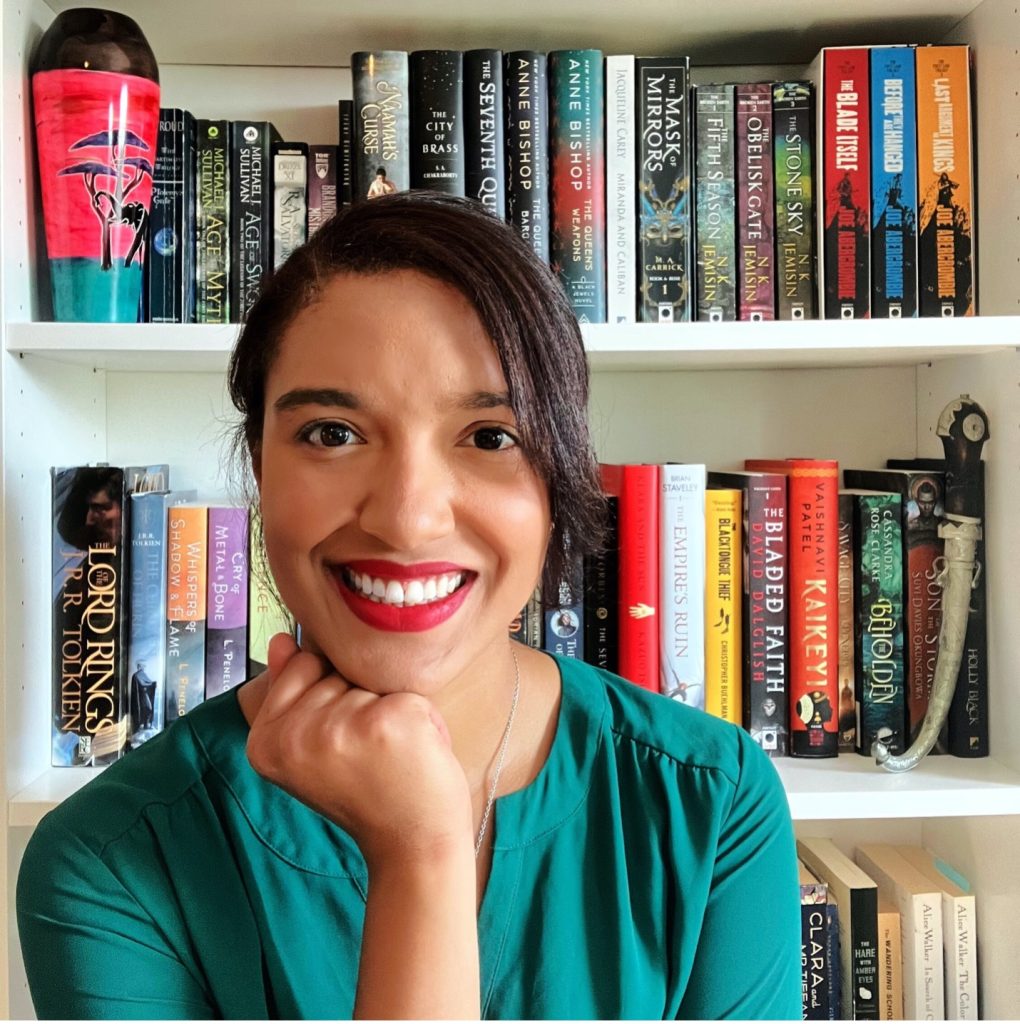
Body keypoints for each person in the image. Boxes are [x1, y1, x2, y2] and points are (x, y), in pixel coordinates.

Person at [18, 192, 801, 1019]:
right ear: (258, 469)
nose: (405, 517)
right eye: (331, 432)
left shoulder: (710, 800)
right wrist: (420, 858)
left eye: (491, 437)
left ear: (557, 476)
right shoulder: (107, 863)